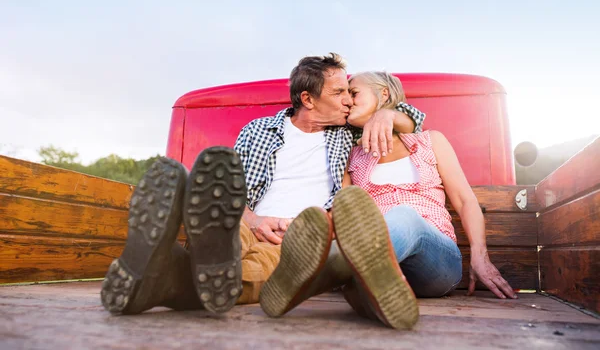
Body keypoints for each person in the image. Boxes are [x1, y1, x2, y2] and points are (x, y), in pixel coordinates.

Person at [100, 53, 426, 315]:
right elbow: (227, 191)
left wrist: (384, 116)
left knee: (265, 268)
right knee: (227, 239)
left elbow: (414, 117)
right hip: (244, 222)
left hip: (299, 239)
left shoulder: (347, 133)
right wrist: (253, 220)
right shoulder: (258, 131)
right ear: (308, 99)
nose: (347, 101)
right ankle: (178, 268)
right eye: (339, 92)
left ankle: (167, 269)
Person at [260, 71, 516, 329]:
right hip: (385, 273)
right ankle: (365, 290)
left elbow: (465, 201)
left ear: (383, 94)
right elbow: (341, 214)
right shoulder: (352, 156)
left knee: (404, 216)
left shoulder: (429, 142)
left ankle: (328, 274)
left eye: (354, 92)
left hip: (436, 263)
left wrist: (480, 256)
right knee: (351, 206)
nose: (347, 101)